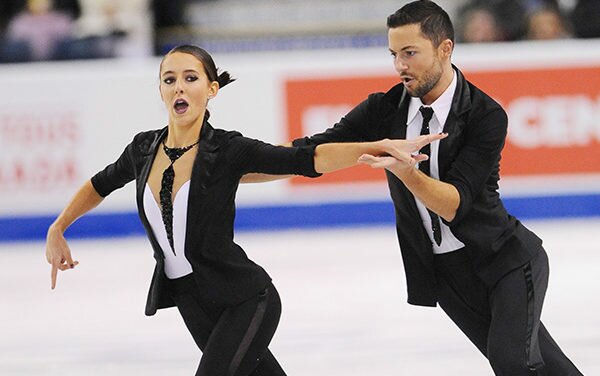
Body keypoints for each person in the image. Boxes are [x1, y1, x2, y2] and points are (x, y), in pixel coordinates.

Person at [45, 44, 443, 376]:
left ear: (211, 89)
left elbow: (305, 158)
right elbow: (99, 185)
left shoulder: (228, 150)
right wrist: (58, 228)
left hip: (246, 299)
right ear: (161, 91)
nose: (179, 87)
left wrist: (373, 147)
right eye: (169, 80)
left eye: (191, 78)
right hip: (190, 301)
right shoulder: (142, 149)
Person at [283, 1, 583, 374]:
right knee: (546, 367)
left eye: (410, 53)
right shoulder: (384, 110)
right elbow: (311, 151)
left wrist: (408, 173)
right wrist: (237, 163)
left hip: (507, 262)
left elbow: (455, 204)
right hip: (447, 274)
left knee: (512, 364)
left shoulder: (485, 114)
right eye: (394, 54)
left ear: (445, 48)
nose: (399, 66)